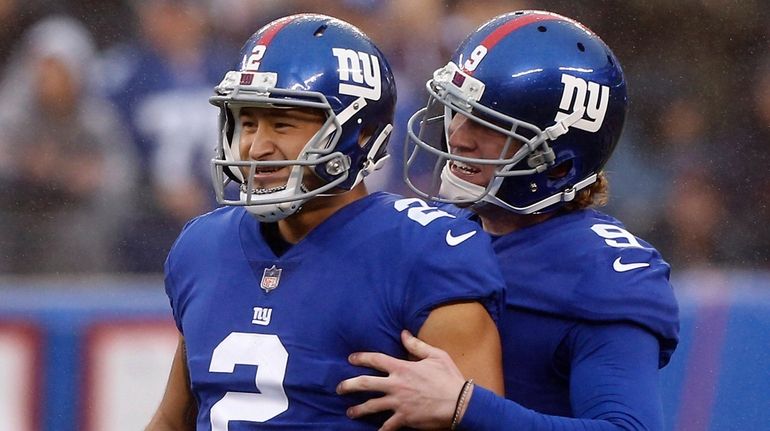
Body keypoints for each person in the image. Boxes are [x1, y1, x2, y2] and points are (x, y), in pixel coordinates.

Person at [146, 14, 506, 430]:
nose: (256, 146)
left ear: (362, 134)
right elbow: (173, 421)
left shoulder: (427, 253)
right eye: (246, 123)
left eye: (282, 123)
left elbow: (480, 418)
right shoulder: (203, 246)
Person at [337, 10, 680, 430]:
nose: (458, 135)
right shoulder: (431, 229)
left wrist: (467, 406)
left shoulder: (601, 274)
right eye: (457, 110)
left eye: (487, 123)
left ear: (558, 163)